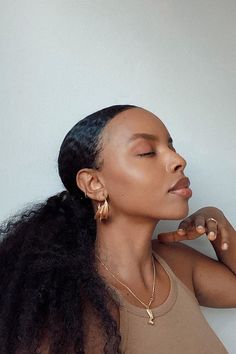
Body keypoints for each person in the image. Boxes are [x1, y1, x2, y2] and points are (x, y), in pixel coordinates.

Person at [0, 105, 235, 354]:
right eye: (147, 152)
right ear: (94, 183)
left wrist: (221, 225)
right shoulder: (66, 304)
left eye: (172, 147)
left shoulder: (177, 265)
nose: (179, 160)